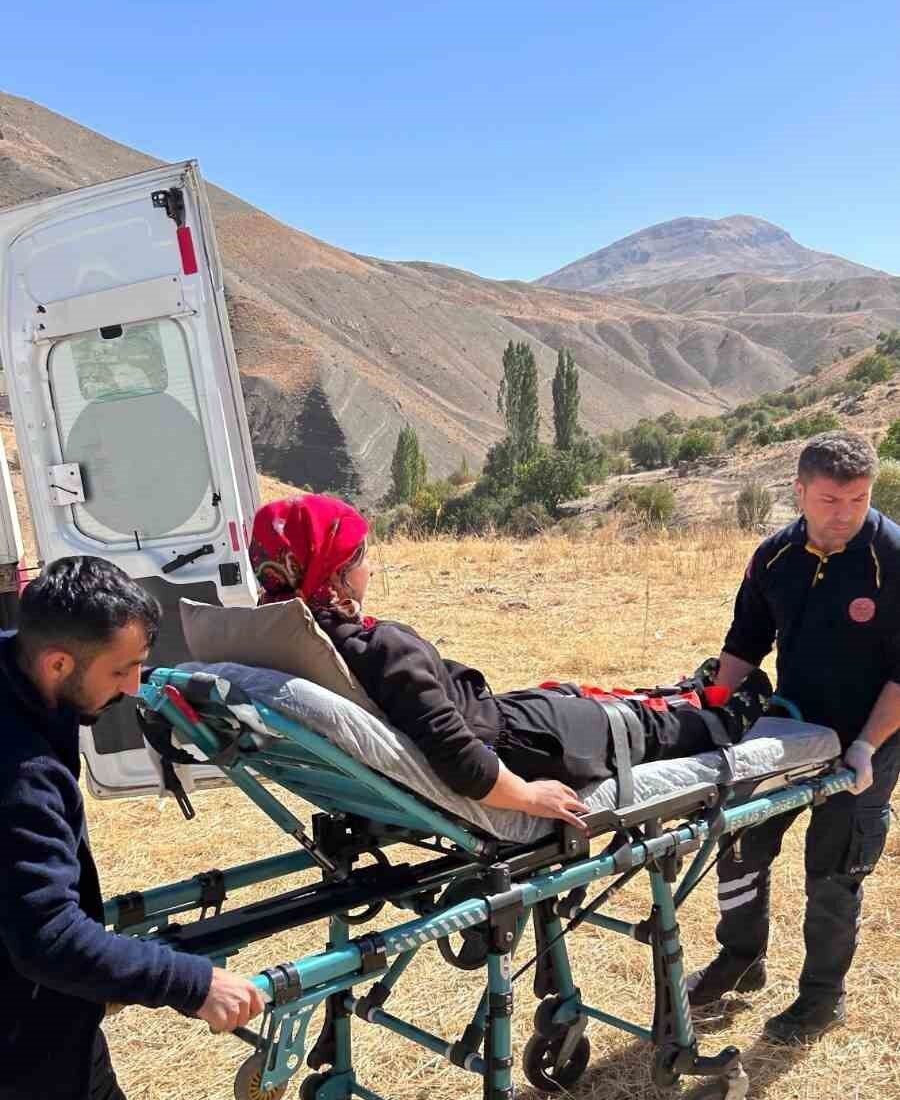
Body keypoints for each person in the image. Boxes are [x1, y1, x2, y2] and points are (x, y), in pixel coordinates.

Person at [0, 557, 265, 1100]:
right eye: (121, 671)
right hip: (24, 1027)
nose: (132, 688)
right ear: (57, 662)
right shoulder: (23, 772)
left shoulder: (17, 672)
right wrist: (191, 982)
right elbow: (47, 936)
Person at [249, 494, 771, 830]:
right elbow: (458, 755)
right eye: (361, 557)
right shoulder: (379, 648)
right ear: (336, 569)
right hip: (522, 747)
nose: (369, 568)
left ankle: (688, 694)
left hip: (508, 722)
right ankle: (728, 714)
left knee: (596, 701)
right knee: (642, 729)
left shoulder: (294, 640)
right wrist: (526, 796)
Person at [687, 432, 900, 1043]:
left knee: (834, 868)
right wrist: (710, 716)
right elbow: (744, 644)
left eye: (858, 499)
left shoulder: (892, 557)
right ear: (800, 491)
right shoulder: (774, 557)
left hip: (868, 736)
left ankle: (821, 998)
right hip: (789, 728)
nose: (845, 514)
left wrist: (867, 745)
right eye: (830, 499)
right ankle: (740, 959)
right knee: (741, 843)